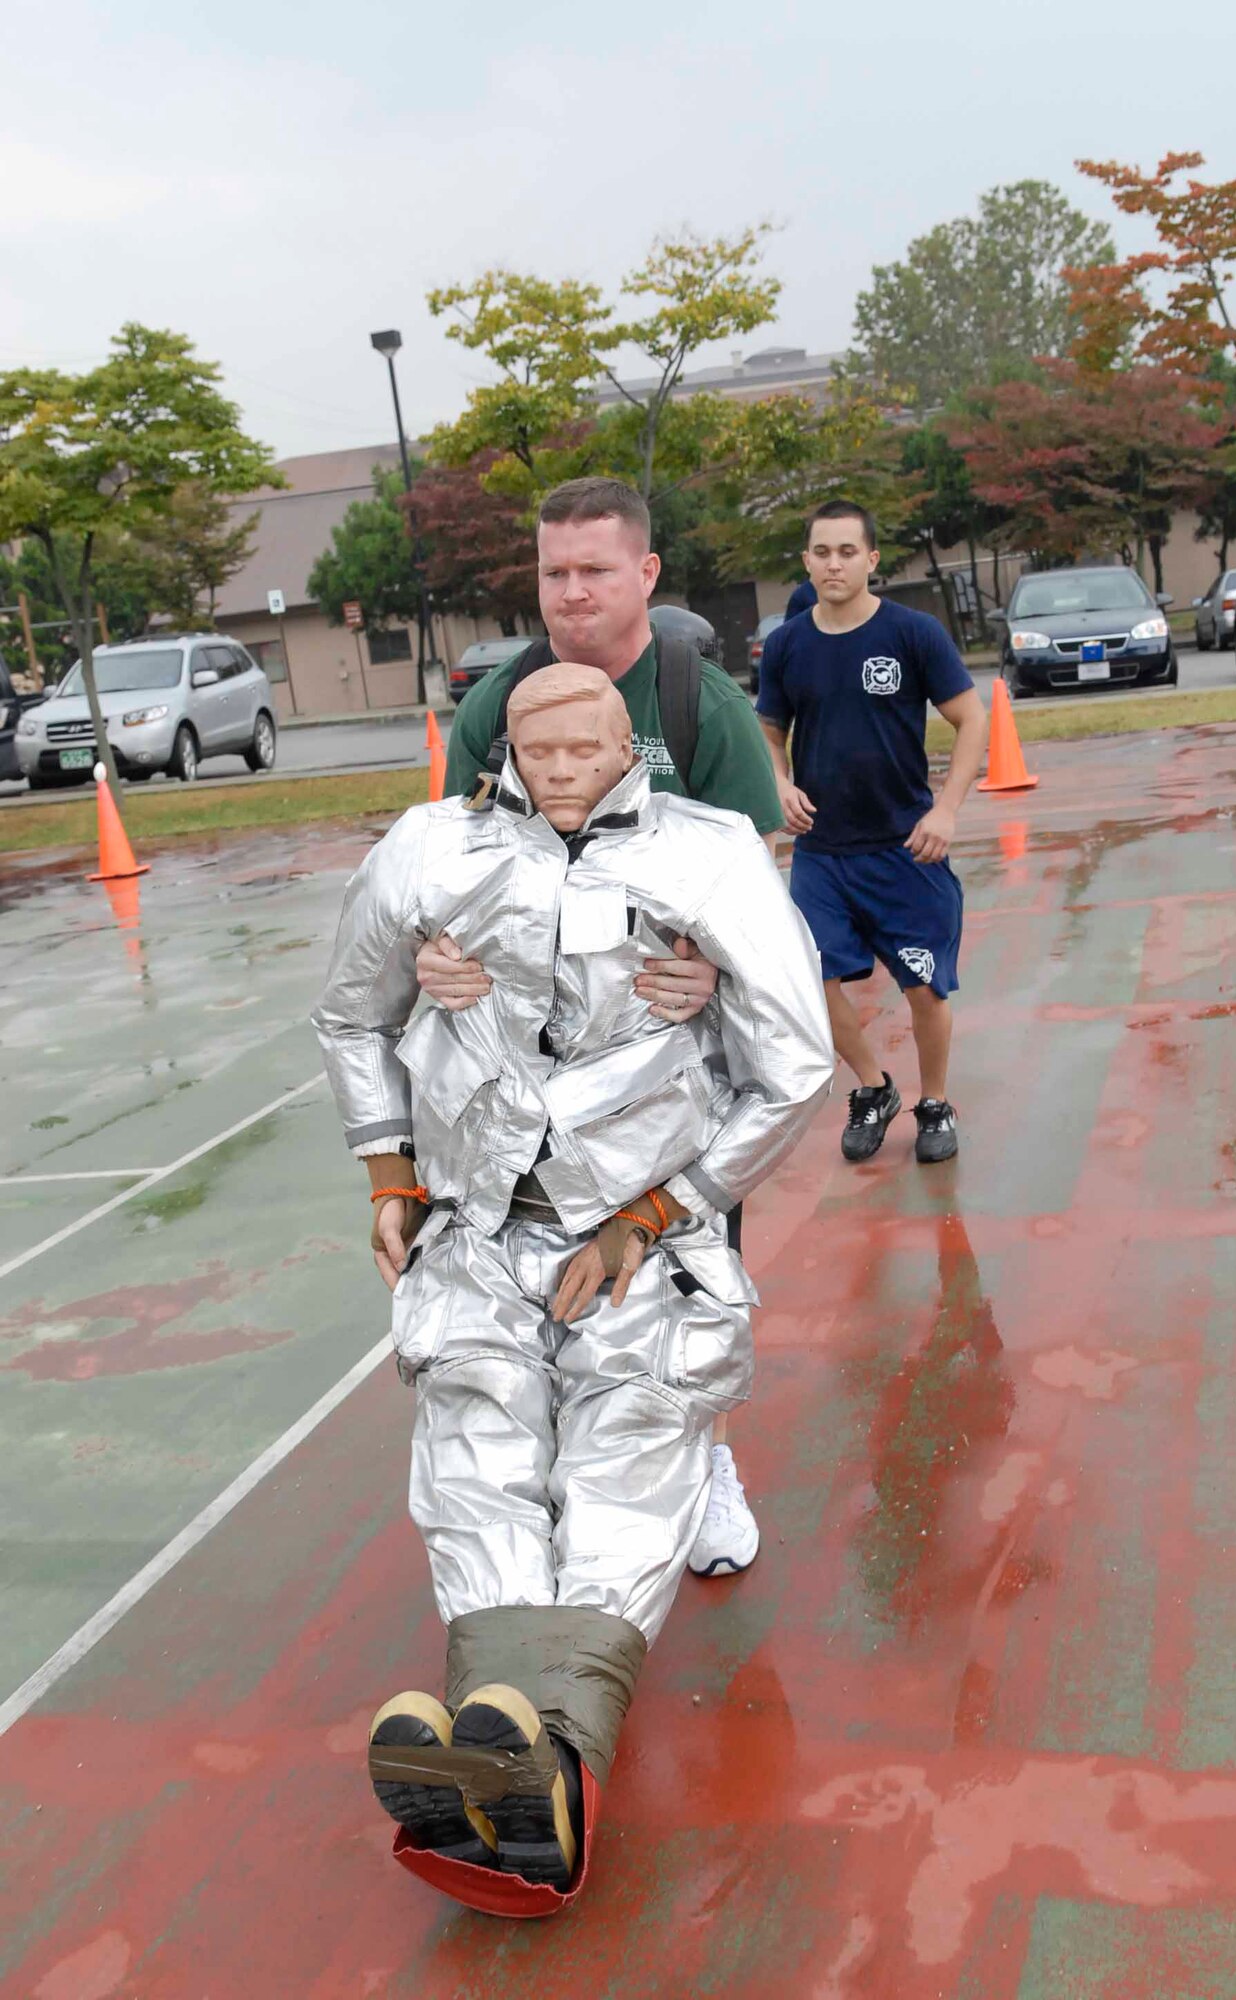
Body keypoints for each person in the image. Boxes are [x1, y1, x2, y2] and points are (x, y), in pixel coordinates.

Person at [313, 664, 831, 1913]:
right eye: (532, 746)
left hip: (638, 1241)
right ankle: (515, 1742)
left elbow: (794, 1060)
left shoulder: (707, 856)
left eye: (580, 746)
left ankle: (541, 1751)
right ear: (501, 747)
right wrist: (388, 1168)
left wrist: (661, 1210)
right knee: (473, 1454)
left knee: (626, 1459)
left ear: (626, 747)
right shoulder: (428, 850)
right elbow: (349, 1014)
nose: (555, 766)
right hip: (476, 1224)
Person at [415, 476, 785, 1578]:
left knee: (684, 1272)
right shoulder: (497, 706)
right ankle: (549, 1480)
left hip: (668, 1062)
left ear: (645, 574)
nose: (571, 592)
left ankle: (703, 1459)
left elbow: (756, 878)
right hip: (531, 1068)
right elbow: (454, 862)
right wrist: (435, 952)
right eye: (552, 572)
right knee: (524, 1273)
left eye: (593, 570)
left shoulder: (697, 704)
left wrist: (713, 966)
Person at [757, 500, 989, 1165]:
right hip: (821, 854)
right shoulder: (786, 645)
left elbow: (972, 720)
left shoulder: (913, 634)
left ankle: (934, 1102)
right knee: (812, 982)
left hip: (903, 848)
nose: (834, 564)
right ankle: (873, 1087)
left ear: (871, 560)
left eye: (847, 552)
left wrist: (945, 810)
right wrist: (779, 782)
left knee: (924, 988)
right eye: (821, 552)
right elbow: (768, 729)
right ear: (806, 561)